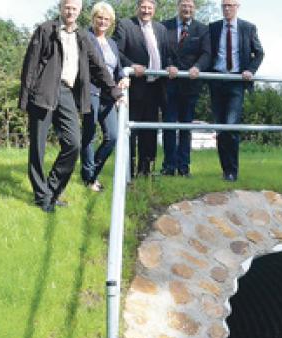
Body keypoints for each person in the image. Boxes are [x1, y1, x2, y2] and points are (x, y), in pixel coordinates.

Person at [19, 0, 122, 212]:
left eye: (74, 8)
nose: (70, 11)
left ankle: (52, 189)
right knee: (37, 147)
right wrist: (25, 97)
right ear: (61, 8)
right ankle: (42, 197)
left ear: (79, 11)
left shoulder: (82, 36)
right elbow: (30, 64)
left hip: (66, 92)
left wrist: (114, 91)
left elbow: (98, 66)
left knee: (74, 143)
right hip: (43, 91)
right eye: (67, 7)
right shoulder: (46, 29)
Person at [113, 0, 176, 177]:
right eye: (143, 7)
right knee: (131, 130)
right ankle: (128, 171)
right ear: (137, 8)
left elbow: (166, 55)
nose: (146, 10)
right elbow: (117, 52)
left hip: (156, 87)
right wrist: (132, 66)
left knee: (150, 131)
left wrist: (170, 66)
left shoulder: (160, 29)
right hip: (135, 87)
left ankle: (146, 169)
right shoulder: (126, 25)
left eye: (150, 8)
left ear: (154, 10)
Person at [208, 0, 263, 182]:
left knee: (231, 127)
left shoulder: (248, 28)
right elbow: (207, 53)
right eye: (224, 5)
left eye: (231, 5)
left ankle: (232, 171)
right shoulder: (213, 28)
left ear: (237, 7)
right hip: (216, 81)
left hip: (236, 82)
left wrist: (250, 70)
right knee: (220, 128)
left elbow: (259, 52)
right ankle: (225, 170)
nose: (227, 8)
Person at [80, 2, 129, 192]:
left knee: (113, 136)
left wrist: (123, 78)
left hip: (108, 96)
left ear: (111, 22)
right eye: (99, 18)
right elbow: (94, 68)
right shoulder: (85, 38)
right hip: (91, 91)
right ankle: (88, 178)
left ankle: (93, 173)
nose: (102, 22)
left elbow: (117, 69)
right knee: (89, 135)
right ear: (93, 19)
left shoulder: (112, 44)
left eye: (106, 19)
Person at [160, 0, 211, 177]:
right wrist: (168, 66)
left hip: (190, 86)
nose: (187, 9)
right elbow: (161, 50)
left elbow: (206, 53)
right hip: (169, 84)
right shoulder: (164, 26)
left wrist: (198, 67)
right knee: (169, 126)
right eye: (184, 6)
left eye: (190, 6)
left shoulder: (202, 29)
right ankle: (168, 166)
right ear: (178, 7)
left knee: (185, 127)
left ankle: (183, 167)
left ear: (194, 9)